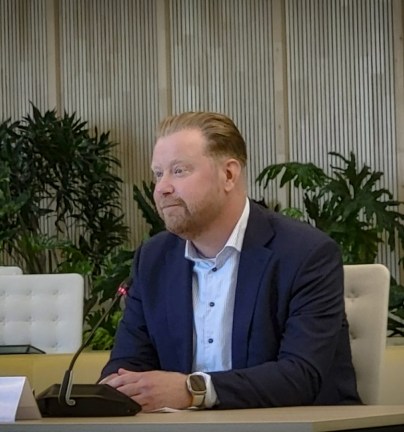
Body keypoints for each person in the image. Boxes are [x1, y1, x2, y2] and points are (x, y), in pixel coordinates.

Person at [100, 111, 360, 411]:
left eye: (179, 171)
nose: (161, 188)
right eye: (158, 173)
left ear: (228, 175)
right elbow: (127, 365)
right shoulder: (153, 260)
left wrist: (193, 390)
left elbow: (300, 375)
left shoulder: (306, 253)